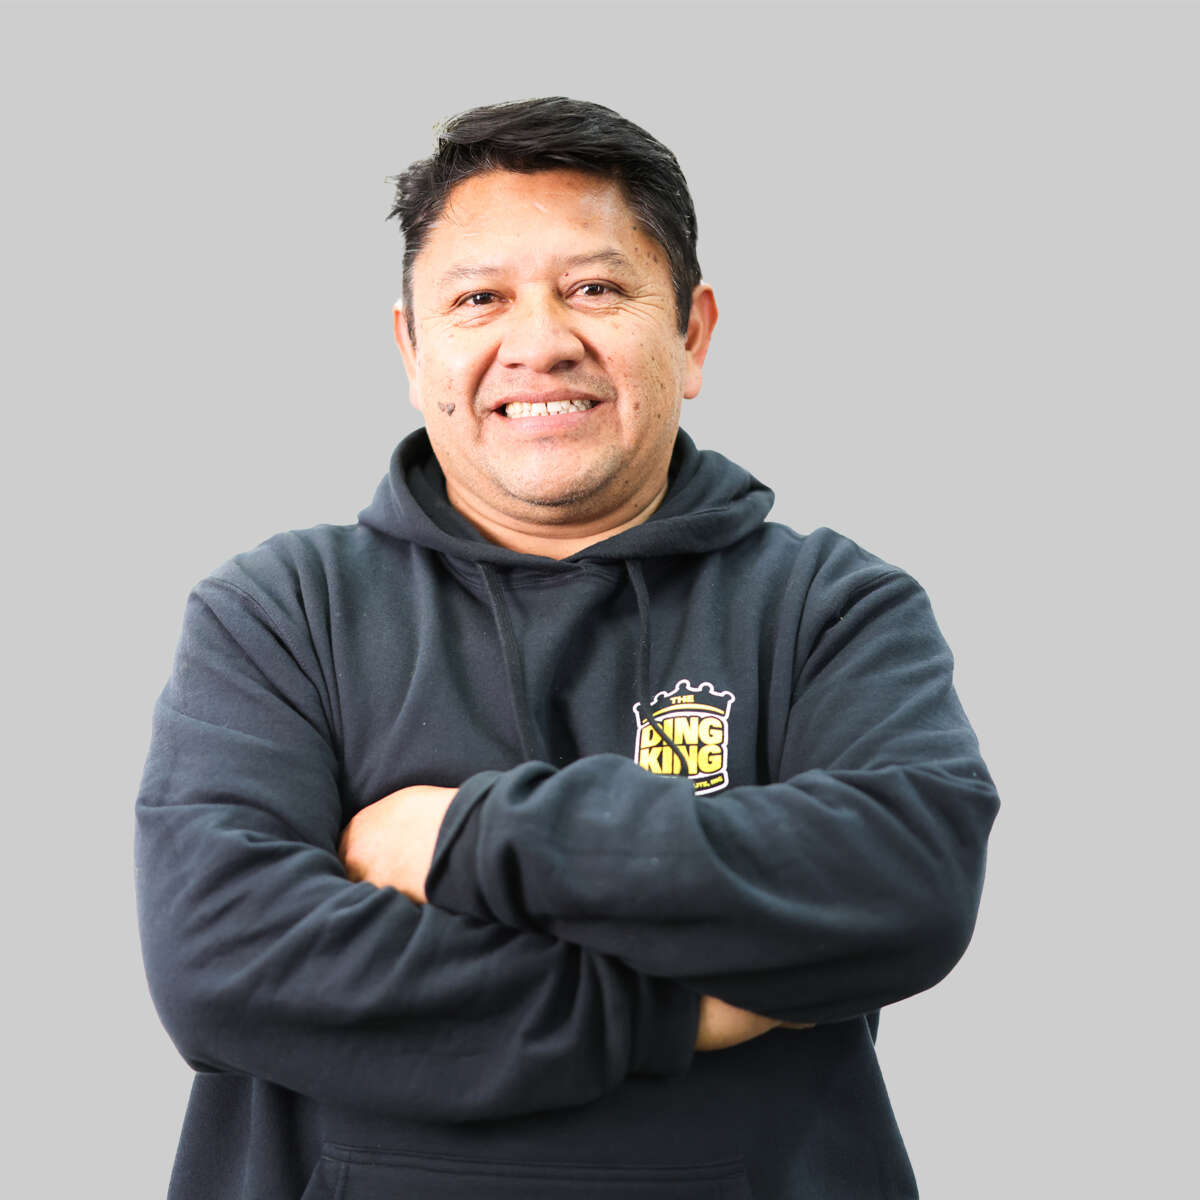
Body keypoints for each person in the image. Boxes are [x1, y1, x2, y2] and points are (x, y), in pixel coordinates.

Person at [136, 96, 999, 1199]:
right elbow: (222, 964)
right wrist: (677, 1003)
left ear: (690, 334)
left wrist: (462, 836)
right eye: (479, 298)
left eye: (594, 289)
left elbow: (907, 881)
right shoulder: (277, 611)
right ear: (412, 346)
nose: (538, 343)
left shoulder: (830, 605)